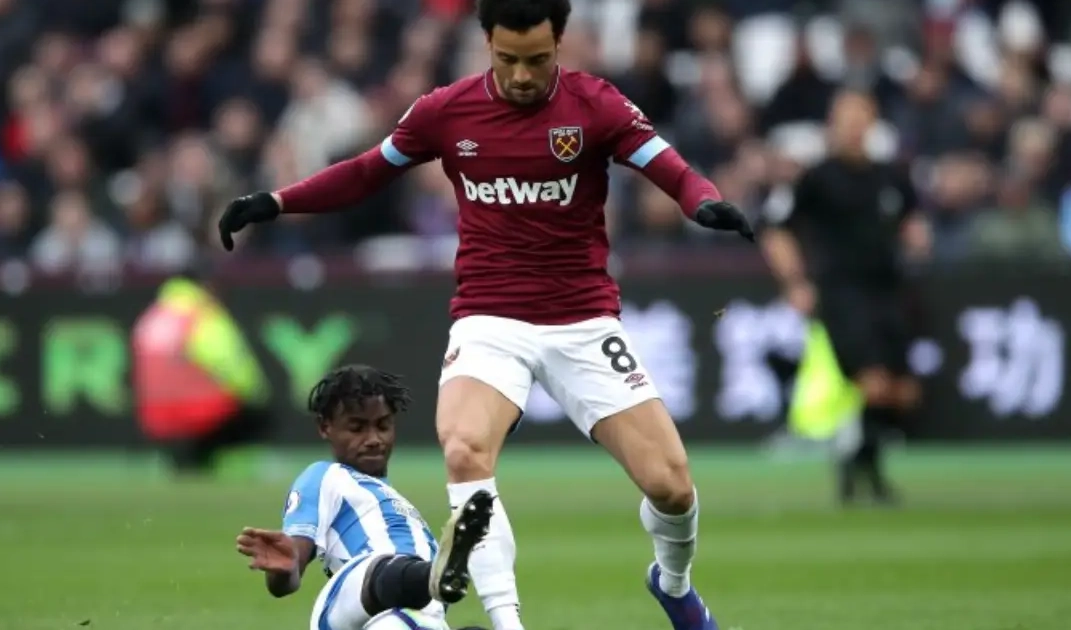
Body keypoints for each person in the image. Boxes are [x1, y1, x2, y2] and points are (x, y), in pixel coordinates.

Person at [218, 1, 755, 628]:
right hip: (488, 319)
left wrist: (703, 202)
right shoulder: (446, 111)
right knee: (465, 449)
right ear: (487, 46)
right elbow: (366, 172)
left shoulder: (597, 105)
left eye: (537, 60)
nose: (522, 75)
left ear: (559, 44)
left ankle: (673, 583)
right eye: (507, 60)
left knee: (672, 486)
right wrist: (277, 201)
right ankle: (509, 624)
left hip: (583, 321)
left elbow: (670, 167)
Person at [761, 90, 931, 506]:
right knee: (872, 382)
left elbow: (912, 220)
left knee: (904, 390)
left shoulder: (890, 176)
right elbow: (776, 229)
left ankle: (857, 458)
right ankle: (866, 473)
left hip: (889, 289)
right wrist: (795, 281)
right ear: (833, 125)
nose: (854, 128)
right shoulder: (816, 178)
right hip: (842, 292)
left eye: (861, 118)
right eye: (846, 119)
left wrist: (916, 239)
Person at [235, 365, 494, 630]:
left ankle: (431, 578)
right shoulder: (325, 477)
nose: (373, 439)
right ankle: (430, 575)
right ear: (325, 427)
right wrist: (285, 569)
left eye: (383, 426)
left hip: (410, 618)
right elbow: (286, 578)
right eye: (357, 428)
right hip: (349, 603)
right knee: (382, 567)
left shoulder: (397, 502)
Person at [131, 269, 273, 477]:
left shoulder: (150, 318)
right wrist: (257, 395)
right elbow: (230, 364)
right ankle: (234, 468)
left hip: (154, 418)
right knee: (258, 412)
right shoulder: (201, 315)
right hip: (201, 414)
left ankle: (181, 459)